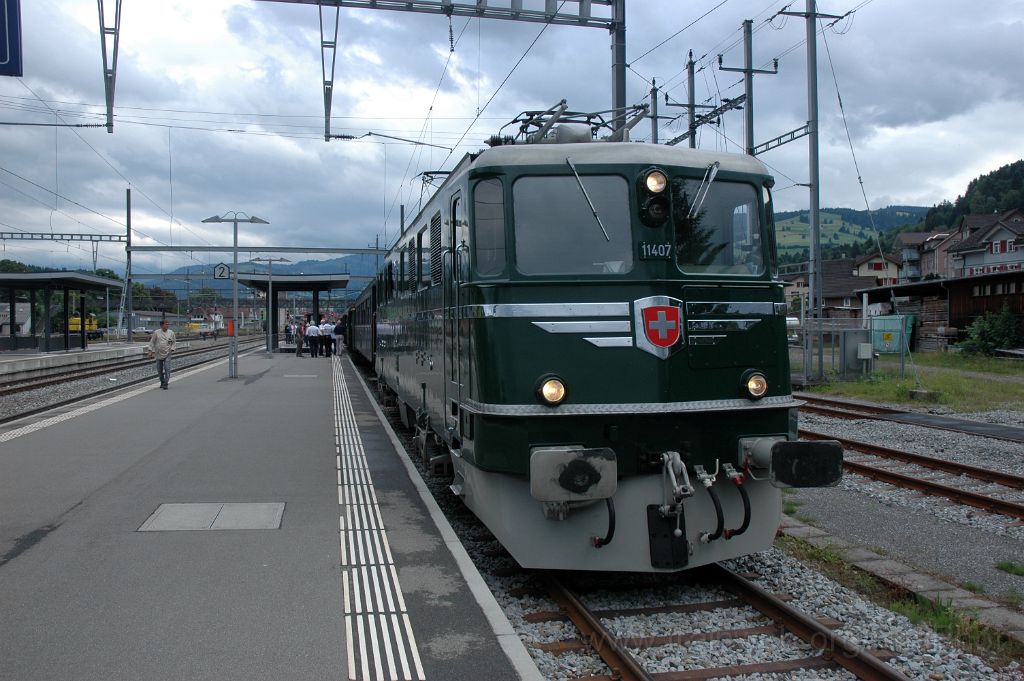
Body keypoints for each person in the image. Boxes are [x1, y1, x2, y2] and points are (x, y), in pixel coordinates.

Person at [147, 319, 176, 389]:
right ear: (161, 325)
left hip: (167, 353)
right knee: (159, 369)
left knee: (167, 368)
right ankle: (162, 381)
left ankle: (166, 383)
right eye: (166, 324)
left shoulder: (171, 333)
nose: (168, 326)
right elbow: (152, 342)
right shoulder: (156, 333)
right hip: (158, 353)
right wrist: (150, 351)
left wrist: (172, 348)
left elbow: (174, 342)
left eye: (168, 324)